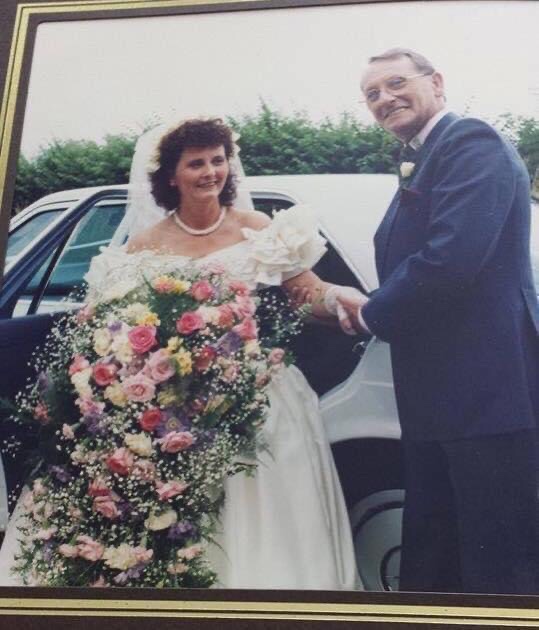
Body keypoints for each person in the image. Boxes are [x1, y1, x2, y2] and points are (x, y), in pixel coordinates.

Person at [0, 117, 359, 589]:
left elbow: (304, 293)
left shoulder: (257, 228)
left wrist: (339, 298)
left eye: (218, 160)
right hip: (173, 403)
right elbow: (112, 325)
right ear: (171, 176)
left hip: (253, 393)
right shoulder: (144, 246)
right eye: (196, 164)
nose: (211, 172)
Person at [338, 48, 539, 594]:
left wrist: (370, 313)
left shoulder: (471, 142)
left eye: (396, 83)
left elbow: (451, 260)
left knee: (500, 564)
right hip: (443, 397)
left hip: (486, 396)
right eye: (372, 94)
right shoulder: (427, 155)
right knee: (439, 555)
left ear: (437, 82)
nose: (384, 99)